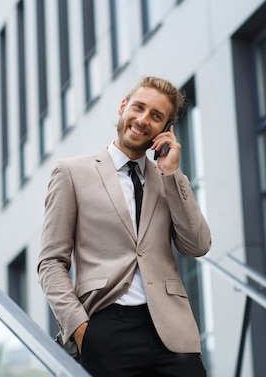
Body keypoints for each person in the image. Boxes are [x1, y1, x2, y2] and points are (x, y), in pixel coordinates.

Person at [37, 75, 212, 377]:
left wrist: (172, 174)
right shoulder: (71, 172)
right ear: (123, 106)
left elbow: (197, 245)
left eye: (156, 116)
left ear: (165, 130)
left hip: (172, 331)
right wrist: (79, 328)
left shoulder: (168, 179)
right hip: (105, 328)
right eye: (139, 108)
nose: (143, 120)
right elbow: (51, 262)